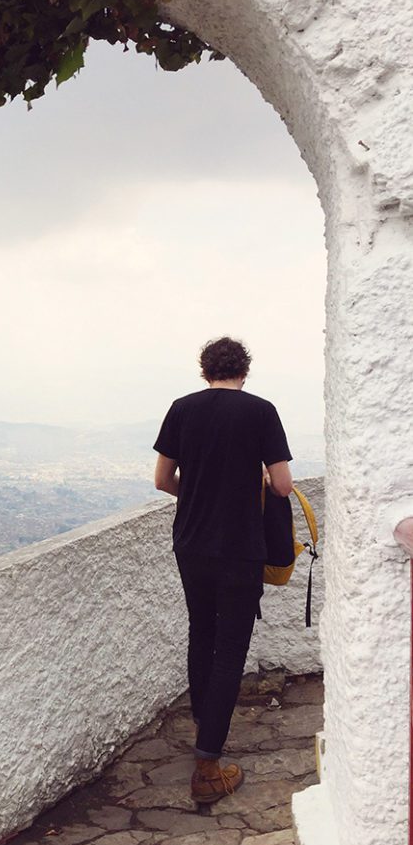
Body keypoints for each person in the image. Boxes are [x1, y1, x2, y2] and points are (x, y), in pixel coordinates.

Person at [153, 336, 293, 804]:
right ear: (244, 371)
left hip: (191, 543)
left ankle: (203, 727)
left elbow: (162, 480)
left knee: (202, 633)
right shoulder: (261, 411)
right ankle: (209, 765)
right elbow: (281, 486)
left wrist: (196, 498)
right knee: (232, 646)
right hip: (240, 547)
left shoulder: (182, 408)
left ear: (204, 370)